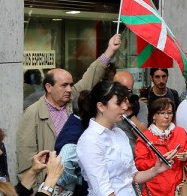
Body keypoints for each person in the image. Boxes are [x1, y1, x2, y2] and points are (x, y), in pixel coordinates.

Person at [16, 33, 121, 176]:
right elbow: (25, 155)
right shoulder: (33, 113)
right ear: (48, 87)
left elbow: (91, 76)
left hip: (75, 177)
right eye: (64, 85)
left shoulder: (72, 98)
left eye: (71, 84)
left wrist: (110, 50)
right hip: (48, 181)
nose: (69, 89)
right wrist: (32, 191)